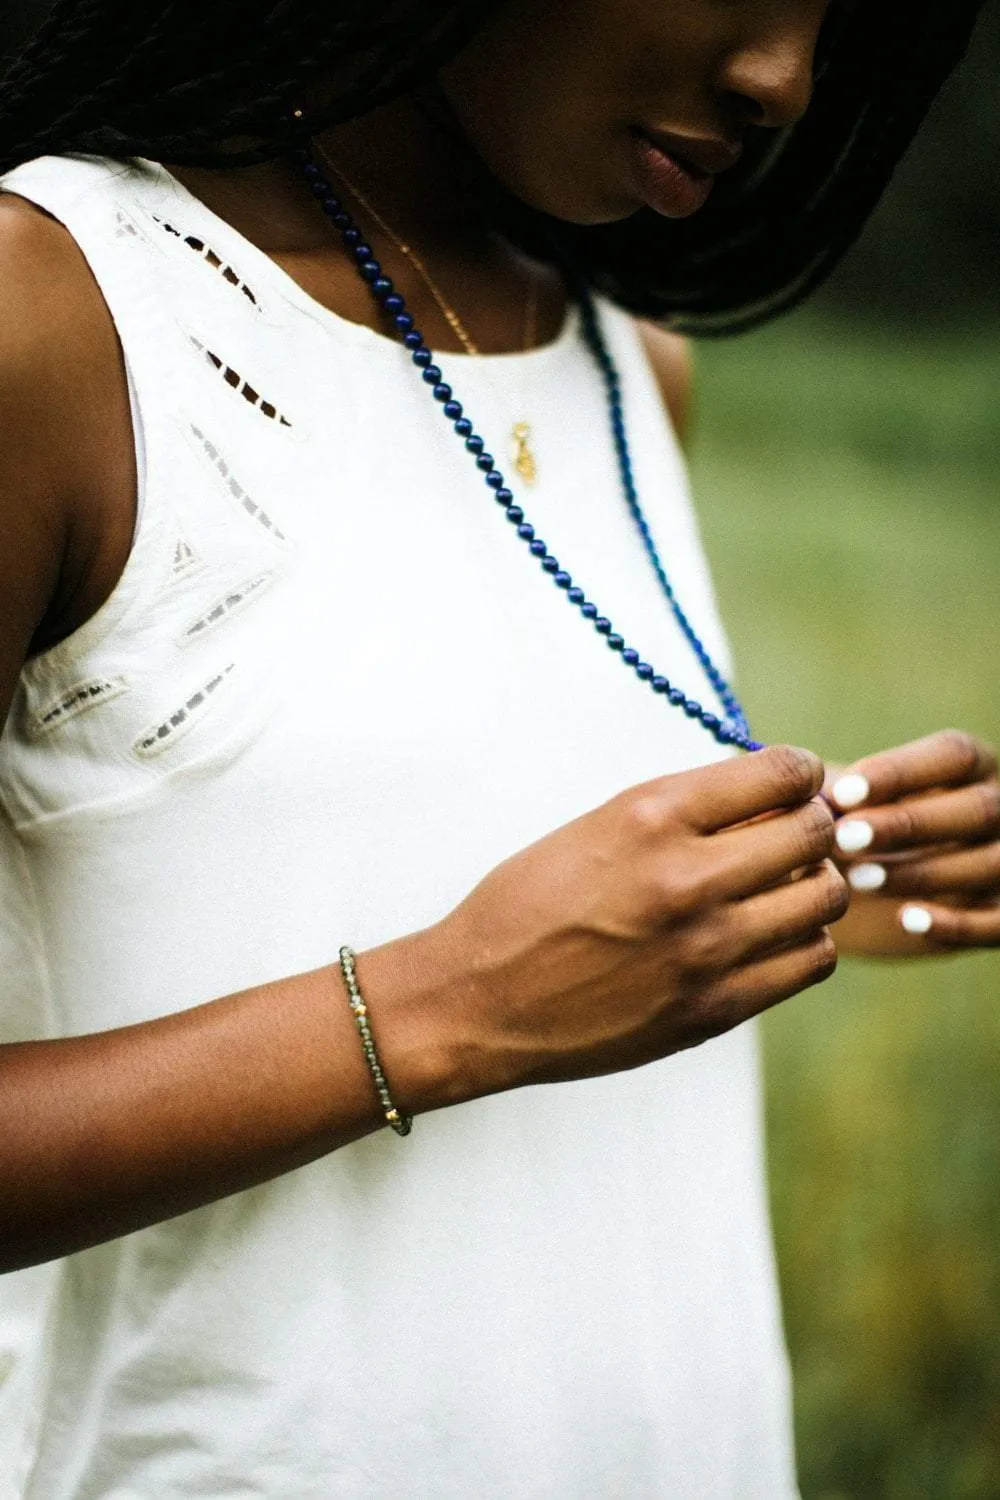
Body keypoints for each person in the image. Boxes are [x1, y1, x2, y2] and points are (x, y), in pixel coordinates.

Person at [0, 1, 995, 1495]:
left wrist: (810, 878)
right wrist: (446, 1009)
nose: (784, 81)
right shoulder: (58, 318)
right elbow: (488, 973)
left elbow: (392, 846)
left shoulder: (628, 364)